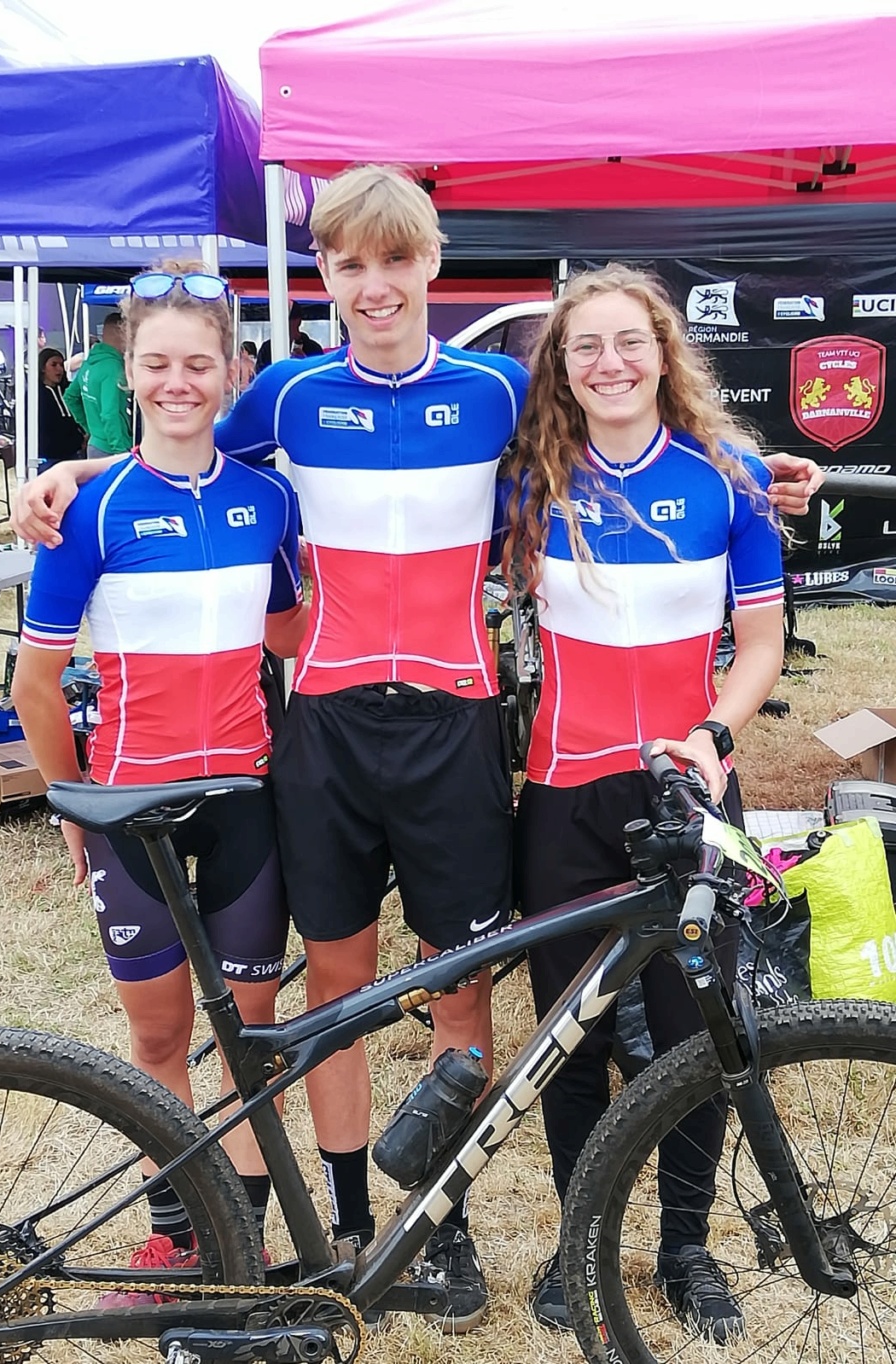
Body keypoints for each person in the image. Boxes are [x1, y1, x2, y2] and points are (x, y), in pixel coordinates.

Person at [10, 168, 822, 1334]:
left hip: (451, 726)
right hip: (327, 731)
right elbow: (177, 446)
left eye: (396, 261)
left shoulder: (498, 391)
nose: (374, 284)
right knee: (336, 984)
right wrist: (71, 475)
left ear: (430, 265)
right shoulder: (285, 395)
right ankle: (349, 1221)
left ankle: (446, 1229)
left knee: (460, 981)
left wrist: (760, 470)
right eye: (349, 265)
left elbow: (633, 433)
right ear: (327, 278)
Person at [11, 260, 307, 1303]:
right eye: (155, 363)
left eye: (199, 362)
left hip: (244, 803)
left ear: (233, 371)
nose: (178, 381)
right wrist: (69, 802)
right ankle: (175, 1242)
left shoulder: (267, 499)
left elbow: (287, 629)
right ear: (125, 370)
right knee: (159, 1035)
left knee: (251, 1036)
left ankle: (249, 1252)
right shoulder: (87, 510)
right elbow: (36, 684)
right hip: (128, 806)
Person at [508, 264, 785, 1344]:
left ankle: (684, 1245)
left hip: (688, 785)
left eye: (629, 341)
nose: (609, 363)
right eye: (585, 347)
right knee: (568, 1032)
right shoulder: (527, 476)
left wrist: (714, 736)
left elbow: (757, 643)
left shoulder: (730, 474)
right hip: (564, 791)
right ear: (562, 367)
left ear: (664, 351)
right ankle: (581, 1239)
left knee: (694, 1025)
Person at [65, 312, 132, 457]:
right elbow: (109, 413)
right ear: (123, 333)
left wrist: (90, 429)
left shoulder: (89, 362)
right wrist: (120, 450)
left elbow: (70, 397)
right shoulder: (113, 368)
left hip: (95, 444)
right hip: (112, 449)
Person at [37, 348, 85, 469]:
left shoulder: (69, 390)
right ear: (43, 368)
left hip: (74, 453)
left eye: (61, 365)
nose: (59, 369)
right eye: (54, 365)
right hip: (48, 455)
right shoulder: (36, 394)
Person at [255, 302, 324, 372]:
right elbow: (260, 375)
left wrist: (305, 363)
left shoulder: (314, 349)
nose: (283, 323)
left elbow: (320, 376)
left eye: (288, 319)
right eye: (280, 319)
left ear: (298, 320)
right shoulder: (267, 348)